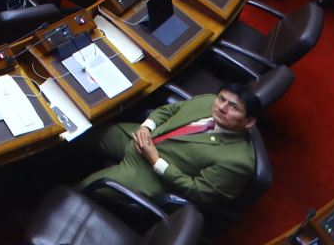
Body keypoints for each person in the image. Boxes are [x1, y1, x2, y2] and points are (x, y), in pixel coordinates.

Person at [81, 84, 261, 212]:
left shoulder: (238, 162)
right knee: (83, 132)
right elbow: (169, 111)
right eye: (222, 99)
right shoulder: (208, 101)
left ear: (250, 121)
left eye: (233, 107)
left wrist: (156, 161)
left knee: (87, 186)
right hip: (140, 138)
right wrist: (146, 127)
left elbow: (197, 192)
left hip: (149, 175)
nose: (222, 107)